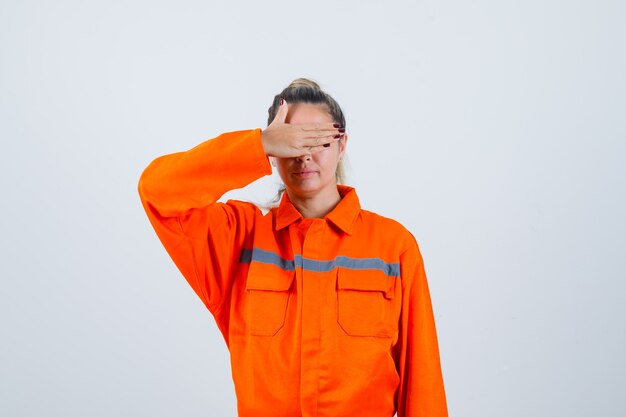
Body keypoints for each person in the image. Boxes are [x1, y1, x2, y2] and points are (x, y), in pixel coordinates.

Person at [137, 78, 448, 417]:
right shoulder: (238, 239)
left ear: (341, 144)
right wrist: (256, 145)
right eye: (291, 142)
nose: (304, 155)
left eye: (317, 140)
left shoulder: (393, 246)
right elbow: (158, 191)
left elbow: (423, 385)